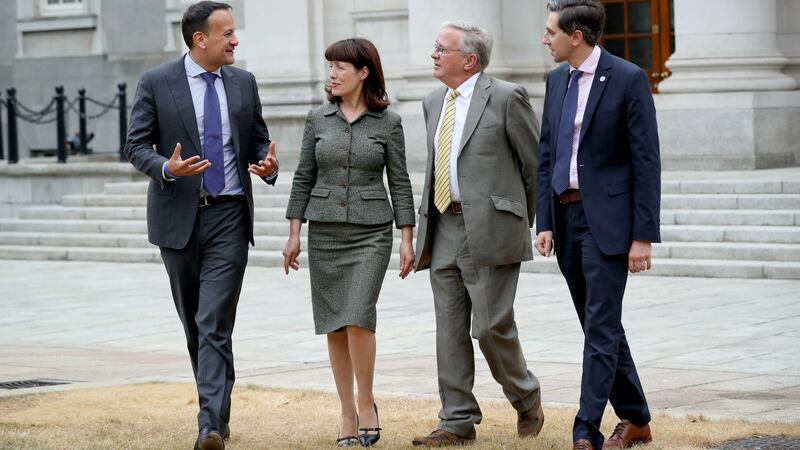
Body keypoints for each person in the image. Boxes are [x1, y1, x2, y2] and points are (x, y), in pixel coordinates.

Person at [123, 2, 278, 449]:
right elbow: (136, 146)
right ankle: (217, 415)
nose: (235, 40)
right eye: (227, 33)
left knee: (213, 321)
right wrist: (167, 168)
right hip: (178, 220)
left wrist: (267, 166)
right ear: (199, 40)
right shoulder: (157, 82)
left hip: (229, 213)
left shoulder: (244, 83)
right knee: (195, 324)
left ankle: (209, 425)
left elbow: (258, 146)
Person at [411, 21, 543, 447]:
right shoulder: (433, 101)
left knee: (489, 327)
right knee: (448, 329)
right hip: (442, 224)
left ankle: (525, 396)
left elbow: (533, 166)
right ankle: (456, 420)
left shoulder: (506, 97)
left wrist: (522, 220)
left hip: (491, 228)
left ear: (469, 59)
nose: (432, 54)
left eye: (440, 48)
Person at [536, 1, 661, 449]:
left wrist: (642, 235)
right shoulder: (555, 81)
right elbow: (546, 154)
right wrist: (545, 220)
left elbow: (646, 162)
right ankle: (638, 418)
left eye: (550, 31)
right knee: (599, 326)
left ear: (577, 35)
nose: (544, 39)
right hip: (566, 218)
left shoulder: (628, 78)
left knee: (601, 326)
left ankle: (585, 428)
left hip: (609, 222)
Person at [283, 38, 415, 448]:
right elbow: (304, 176)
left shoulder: (388, 123)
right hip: (325, 231)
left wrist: (406, 238)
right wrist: (294, 234)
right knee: (334, 325)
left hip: (372, 231)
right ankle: (346, 411)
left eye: (341, 67)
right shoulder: (316, 118)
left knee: (359, 315)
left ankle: (367, 400)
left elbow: (401, 182)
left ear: (364, 73)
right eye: (330, 67)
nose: (333, 74)